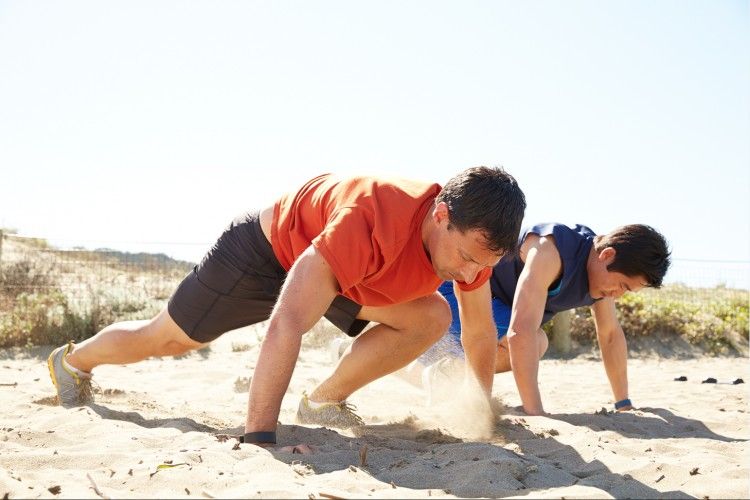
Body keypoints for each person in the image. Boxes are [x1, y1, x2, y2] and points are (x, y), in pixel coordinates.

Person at [47, 167, 526, 448]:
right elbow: (290, 322)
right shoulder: (372, 216)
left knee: (434, 315)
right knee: (167, 339)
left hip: (352, 274)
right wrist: (259, 437)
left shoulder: (474, 252)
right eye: (464, 259)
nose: (469, 275)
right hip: (264, 252)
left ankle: (323, 401)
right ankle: (73, 361)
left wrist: (479, 413)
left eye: (481, 266)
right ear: (441, 216)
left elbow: (480, 333)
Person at [407, 222, 671, 415]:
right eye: (623, 286)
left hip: (491, 316)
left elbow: (610, 335)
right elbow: (520, 331)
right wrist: (536, 413)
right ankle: (442, 375)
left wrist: (623, 403)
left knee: (538, 341)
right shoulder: (550, 250)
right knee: (533, 339)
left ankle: (443, 376)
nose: (619, 295)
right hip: (455, 293)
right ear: (607, 255)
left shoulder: (602, 281)